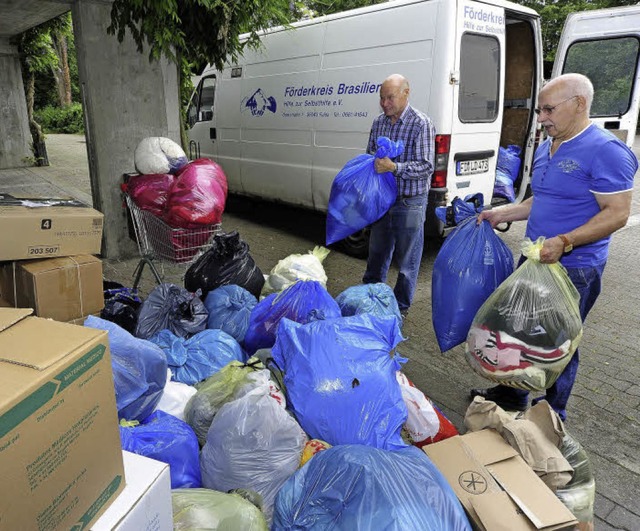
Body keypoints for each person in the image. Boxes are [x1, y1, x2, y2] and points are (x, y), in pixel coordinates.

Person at [470, 73, 637, 420]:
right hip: (534, 257)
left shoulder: (606, 151)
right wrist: (500, 212)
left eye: (548, 109)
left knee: (557, 341)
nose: (542, 118)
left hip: (574, 267)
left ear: (579, 104)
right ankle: (512, 394)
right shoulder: (548, 146)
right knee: (516, 330)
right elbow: (539, 201)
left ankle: (551, 413)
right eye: (540, 110)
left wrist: (565, 241)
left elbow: (618, 214)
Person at [362, 74, 435, 318]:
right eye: (381, 98)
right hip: (383, 202)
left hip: (409, 203)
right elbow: (370, 155)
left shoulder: (421, 123)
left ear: (406, 93)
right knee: (376, 257)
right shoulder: (378, 123)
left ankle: (399, 311)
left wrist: (395, 167)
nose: (384, 103)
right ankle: (369, 303)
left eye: (390, 97)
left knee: (406, 264)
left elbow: (426, 166)